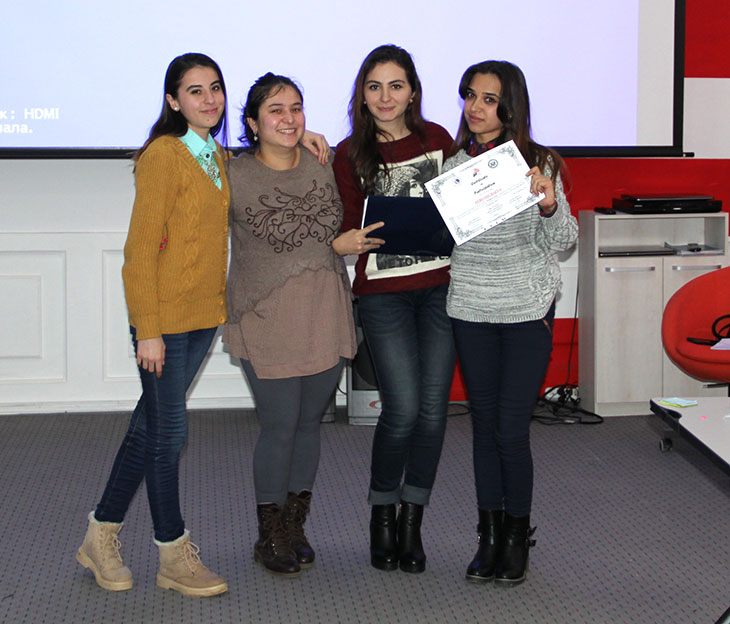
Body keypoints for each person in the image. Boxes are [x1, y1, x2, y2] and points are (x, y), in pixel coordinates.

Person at [75, 52, 231, 597]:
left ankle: (101, 535)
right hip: (162, 325)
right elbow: (139, 252)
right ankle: (173, 554)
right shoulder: (165, 155)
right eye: (195, 91)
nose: (209, 99)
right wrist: (147, 329)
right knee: (170, 434)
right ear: (172, 100)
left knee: (149, 430)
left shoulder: (213, 153)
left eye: (215, 88)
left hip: (199, 321)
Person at [223, 72, 379, 578]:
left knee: (310, 424)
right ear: (252, 123)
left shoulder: (322, 163)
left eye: (296, 108)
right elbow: (184, 151)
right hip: (264, 315)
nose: (288, 119)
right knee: (279, 425)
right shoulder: (231, 172)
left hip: (325, 309)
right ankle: (268, 534)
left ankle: (295, 526)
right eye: (275, 110)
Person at [443, 60, 578, 586]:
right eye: (470, 97)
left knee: (510, 429)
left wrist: (547, 204)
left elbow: (562, 240)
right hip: (472, 308)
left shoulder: (539, 162)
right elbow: (445, 239)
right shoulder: (452, 165)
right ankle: (489, 536)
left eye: (489, 99)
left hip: (526, 310)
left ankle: (517, 536)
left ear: (510, 105)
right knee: (483, 428)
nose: (476, 108)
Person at [333, 44, 456, 574]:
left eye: (396, 85)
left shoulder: (438, 142)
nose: (386, 97)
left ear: (412, 91)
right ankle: (382, 514)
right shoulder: (348, 153)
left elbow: (463, 210)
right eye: (375, 86)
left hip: (440, 290)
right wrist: (350, 240)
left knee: (433, 414)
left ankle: (413, 521)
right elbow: (340, 225)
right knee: (403, 410)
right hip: (382, 295)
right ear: (363, 93)